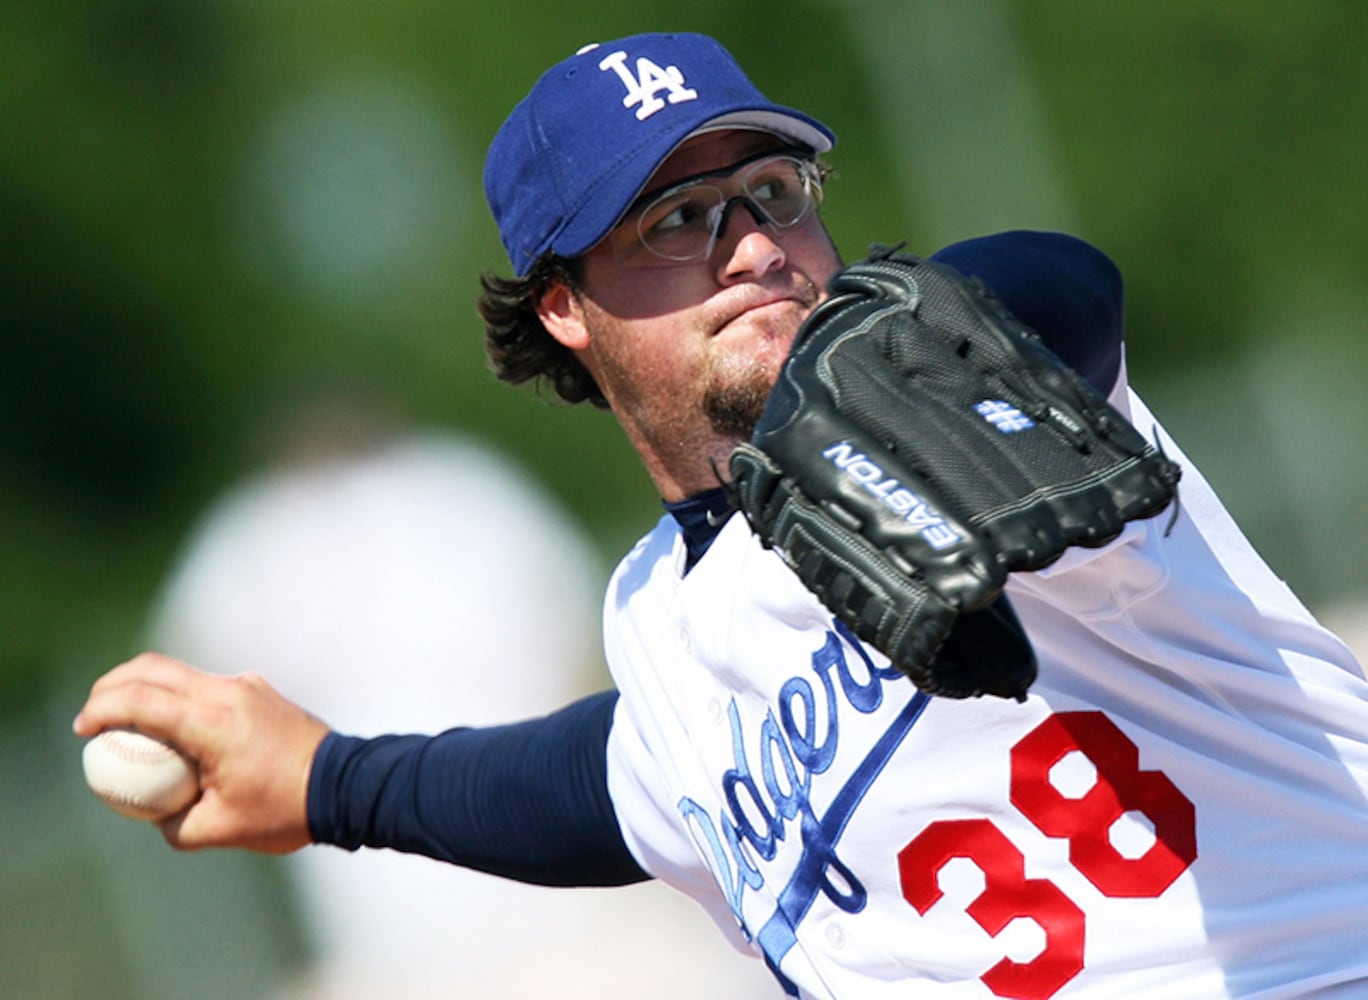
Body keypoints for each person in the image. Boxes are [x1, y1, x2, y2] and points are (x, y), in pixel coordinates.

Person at [75, 32, 1368, 998]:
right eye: (679, 219)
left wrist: (915, 341)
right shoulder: (656, 624)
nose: (752, 244)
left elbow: (1055, 282)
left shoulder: (984, 398)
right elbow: (603, 783)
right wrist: (332, 780)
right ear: (564, 311)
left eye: (775, 193)